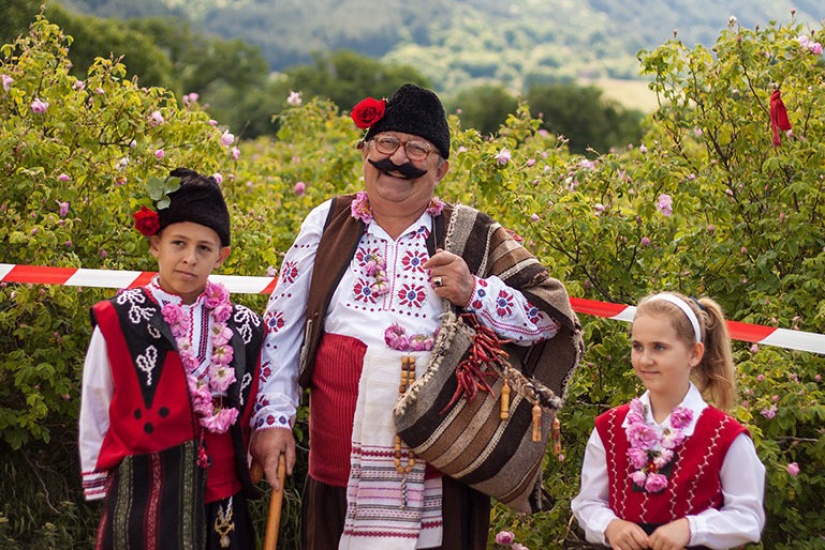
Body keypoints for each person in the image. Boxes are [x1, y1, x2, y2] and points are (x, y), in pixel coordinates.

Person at [249, 83, 583, 550]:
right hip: (338, 460)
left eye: (417, 149)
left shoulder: (472, 234)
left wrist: (473, 291)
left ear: (441, 168)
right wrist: (274, 420)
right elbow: (282, 332)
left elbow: (551, 316)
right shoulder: (326, 222)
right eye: (386, 143)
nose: (398, 159)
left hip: (443, 463)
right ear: (365, 151)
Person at [78, 168, 264, 550]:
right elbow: (97, 397)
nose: (189, 259)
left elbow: (257, 398)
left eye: (204, 248)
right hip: (145, 492)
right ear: (155, 245)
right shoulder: (121, 318)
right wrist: (97, 479)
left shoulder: (244, 326)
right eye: (178, 243)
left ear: (221, 256)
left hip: (222, 493)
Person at [571, 292, 766, 550]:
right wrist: (611, 525)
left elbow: (748, 517)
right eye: (637, 346)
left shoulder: (726, 436)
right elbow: (588, 503)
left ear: (694, 354)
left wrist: (691, 528)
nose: (645, 359)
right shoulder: (609, 427)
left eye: (659, 347)